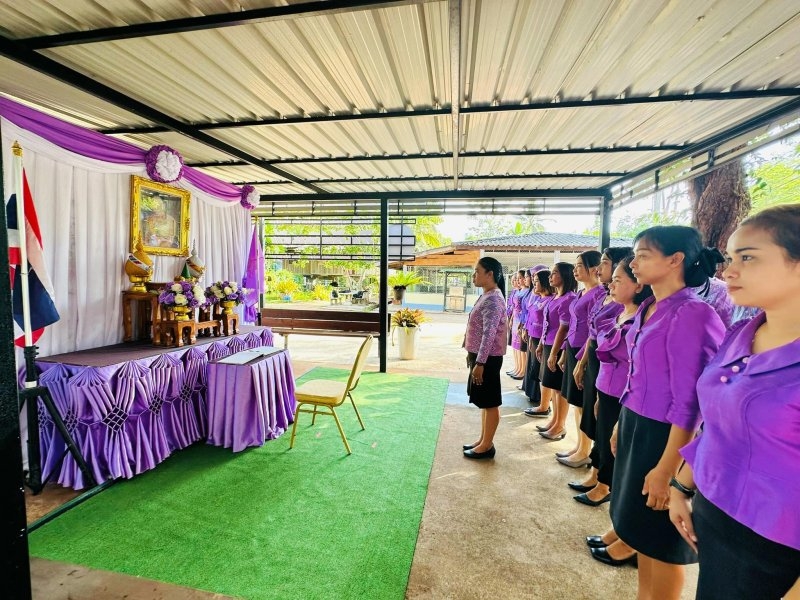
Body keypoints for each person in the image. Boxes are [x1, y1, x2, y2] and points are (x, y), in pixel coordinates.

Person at [669, 204, 800, 600]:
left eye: (748, 258)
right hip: (714, 514)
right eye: (730, 258)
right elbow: (715, 422)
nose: (728, 272)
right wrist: (681, 485)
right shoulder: (742, 332)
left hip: (776, 546)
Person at [608, 226, 726, 600]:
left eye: (643, 255)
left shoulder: (692, 313)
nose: (634, 263)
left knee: (662, 543)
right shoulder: (650, 306)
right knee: (643, 534)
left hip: (667, 437)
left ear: (675, 260)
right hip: (638, 425)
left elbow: (690, 403)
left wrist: (667, 468)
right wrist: (621, 423)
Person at [585, 257, 652, 563]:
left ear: (638, 286)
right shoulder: (624, 313)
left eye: (618, 279)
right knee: (610, 450)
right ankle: (621, 528)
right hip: (610, 390)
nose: (611, 284)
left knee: (624, 465)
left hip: (628, 397)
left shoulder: (645, 316)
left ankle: (630, 536)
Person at [570, 247, 632, 491]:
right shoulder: (605, 296)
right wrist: (583, 361)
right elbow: (593, 333)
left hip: (611, 369)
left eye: (604, 263)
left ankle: (602, 484)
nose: (599, 268)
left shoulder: (623, 305)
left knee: (607, 426)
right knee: (597, 420)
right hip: (598, 363)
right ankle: (595, 474)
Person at [555, 251, 604, 467]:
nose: (575, 270)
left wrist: (582, 359)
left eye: (579, 266)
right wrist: (565, 351)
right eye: (574, 266)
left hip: (585, 351)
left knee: (584, 403)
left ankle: (585, 450)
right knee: (576, 402)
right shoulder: (581, 293)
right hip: (573, 347)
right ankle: (579, 445)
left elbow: (593, 331)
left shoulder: (598, 294)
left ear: (593, 268)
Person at [463, 257, 508, 460]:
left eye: (477, 271)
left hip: (488, 358)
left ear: (490, 274)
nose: (474, 275)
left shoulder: (494, 299)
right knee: (484, 401)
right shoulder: (487, 295)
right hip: (481, 356)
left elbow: (489, 334)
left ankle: (487, 445)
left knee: (490, 402)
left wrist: (480, 362)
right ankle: (483, 440)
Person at [534, 263, 578, 440]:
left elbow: (563, 328)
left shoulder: (569, 298)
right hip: (548, 343)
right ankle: (554, 421)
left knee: (559, 388)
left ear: (564, 276)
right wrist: (541, 344)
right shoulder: (555, 297)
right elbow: (547, 324)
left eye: (554, 273)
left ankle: (560, 425)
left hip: (558, 346)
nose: (550, 277)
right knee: (552, 385)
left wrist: (554, 352)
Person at [522, 267, 552, 407]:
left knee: (540, 369)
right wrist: (526, 330)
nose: (534, 284)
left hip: (542, 339)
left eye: (537, 281)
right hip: (532, 336)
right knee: (533, 367)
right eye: (533, 281)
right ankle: (533, 394)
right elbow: (530, 316)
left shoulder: (550, 300)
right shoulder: (538, 298)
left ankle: (542, 401)